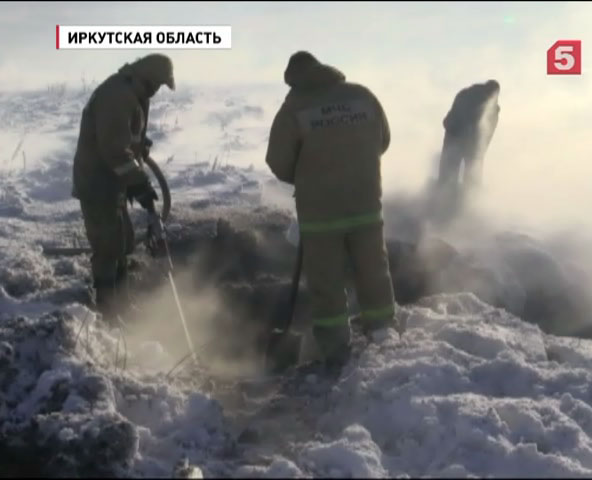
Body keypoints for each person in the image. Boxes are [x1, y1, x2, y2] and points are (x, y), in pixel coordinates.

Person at [265, 51, 403, 370]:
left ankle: (335, 347)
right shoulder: (362, 96)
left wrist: (307, 174)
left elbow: (278, 160)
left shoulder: (294, 108)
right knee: (373, 269)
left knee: (326, 281)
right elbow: (382, 140)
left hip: (321, 212)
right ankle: (383, 332)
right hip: (366, 203)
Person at [71, 54, 175, 326]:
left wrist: (141, 146)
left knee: (122, 241)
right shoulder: (117, 95)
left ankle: (122, 306)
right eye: (157, 84)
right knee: (107, 247)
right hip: (98, 183)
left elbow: (126, 136)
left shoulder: (133, 93)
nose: (157, 90)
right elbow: (114, 150)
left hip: (114, 181)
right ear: (147, 78)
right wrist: (139, 184)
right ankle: (108, 314)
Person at [437, 79, 500, 191]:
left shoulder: (492, 108)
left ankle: (464, 195)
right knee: (452, 172)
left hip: (466, 142)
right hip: (456, 138)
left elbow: (488, 133)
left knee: (466, 175)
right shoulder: (469, 96)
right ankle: (448, 193)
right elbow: (450, 120)